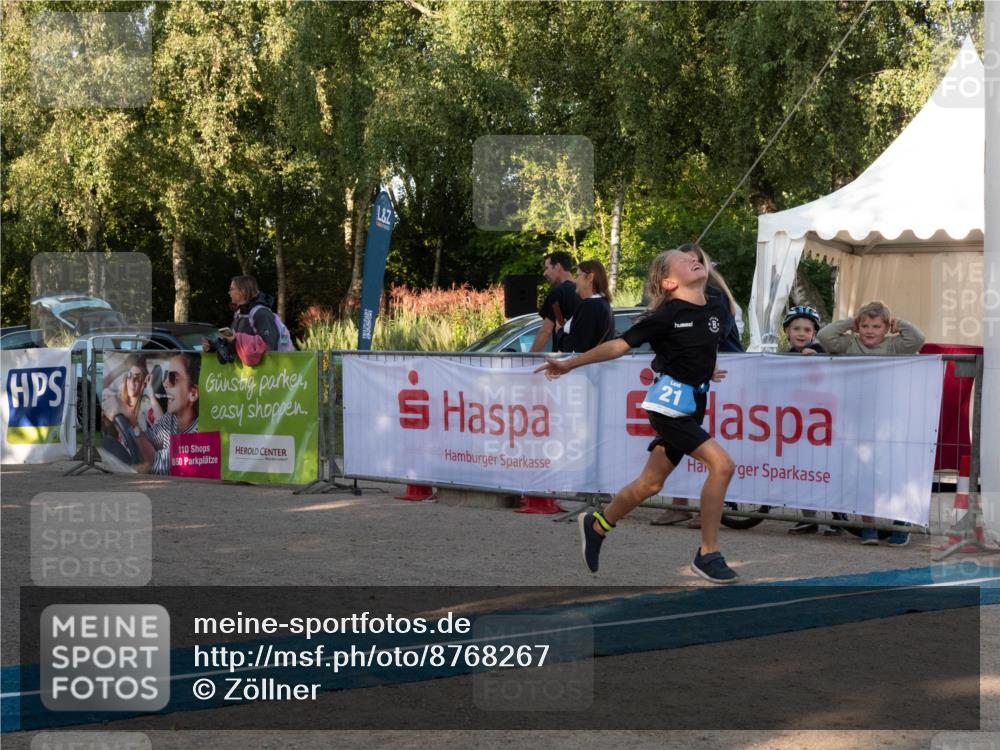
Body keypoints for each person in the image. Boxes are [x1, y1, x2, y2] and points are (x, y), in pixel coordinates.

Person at [536, 248, 740, 584]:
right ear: (669, 282)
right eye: (682, 259)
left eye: (697, 258)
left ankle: (598, 524)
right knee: (722, 465)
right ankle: (708, 554)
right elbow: (617, 346)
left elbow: (698, 344)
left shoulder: (716, 307)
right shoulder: (666, 316)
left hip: (693, 402)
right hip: (668, 407)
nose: (692, 258)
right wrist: (569, 363)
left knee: (651, 483)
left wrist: (708, 366)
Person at [650, 243, 743, 529]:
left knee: (718, 461)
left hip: (713, 380)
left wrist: (702, 360)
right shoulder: (670, 307)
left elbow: (717, 333)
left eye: (694, 260)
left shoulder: (715, 299)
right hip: (682, 390)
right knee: (652, 481)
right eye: (683, 261)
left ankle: (708, 533)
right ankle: (601, 522)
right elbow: (629, 340)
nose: (691, 264)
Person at [817, 301, 925, 546]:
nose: (869, 330)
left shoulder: (894, 346)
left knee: (894, 474)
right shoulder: (848, 344)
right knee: (865, 474)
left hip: (891, 421)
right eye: (864, 325)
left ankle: (901, 523)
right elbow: (825, 336)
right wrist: (849, 323)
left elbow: (917, 338)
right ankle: (869, 527)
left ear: (887, 328)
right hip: (857, 421)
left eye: (876, 326)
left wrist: (900, 325)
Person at [778, 306, 841, 535]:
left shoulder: (820, 351)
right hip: (797, 424)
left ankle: (838, 517)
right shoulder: (784, 356)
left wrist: (820, 358)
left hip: (823, 424)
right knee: (802, 470)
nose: (801, 333)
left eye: (807, 329)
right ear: (786, 331)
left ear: (815, 333)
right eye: (796, 328)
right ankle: (808, 517)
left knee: (827, 470)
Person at [141, 352, 201, 475]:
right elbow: (149, 439)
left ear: (193, 394)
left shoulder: (200, 432)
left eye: (174, 378)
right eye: (166, 377)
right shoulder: (171, 419)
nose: (165, 383)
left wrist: (131, 422)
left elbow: (154, 462)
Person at [204, 275, 284, 364]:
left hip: (263, 375)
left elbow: (269, 346)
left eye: (232, 289)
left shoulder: (261, 313)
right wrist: (214, 346)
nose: (229, 292)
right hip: (247, 375)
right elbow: (237, 346)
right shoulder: (238, 313)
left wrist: (237, 339)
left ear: (243, 291)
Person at [100, 354, 150, 467]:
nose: (132, 380)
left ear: (144, 383)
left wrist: (129, 416)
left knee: (107, 442)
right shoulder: (121, 398)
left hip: (136, 457)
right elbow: (100, 388)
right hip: (120, 453)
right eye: (129, 376)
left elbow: (146, 440)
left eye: (137, 378)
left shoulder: (147, 407)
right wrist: (123, 367)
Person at [557, 259, 614, 353]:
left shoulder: (589, 306)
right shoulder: (603, 304)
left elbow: (576, 349)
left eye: (577, 275)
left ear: (590, 277)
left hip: (583, 367)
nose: (575, 281)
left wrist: (560, 331)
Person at [530, 252, 581, 353]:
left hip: (564, 359)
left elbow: (545, 331)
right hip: (582, 358)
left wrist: (528, 358)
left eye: (547, 268)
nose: (544, 273)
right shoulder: (584, 291)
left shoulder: (558, 292)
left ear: (557, 266)